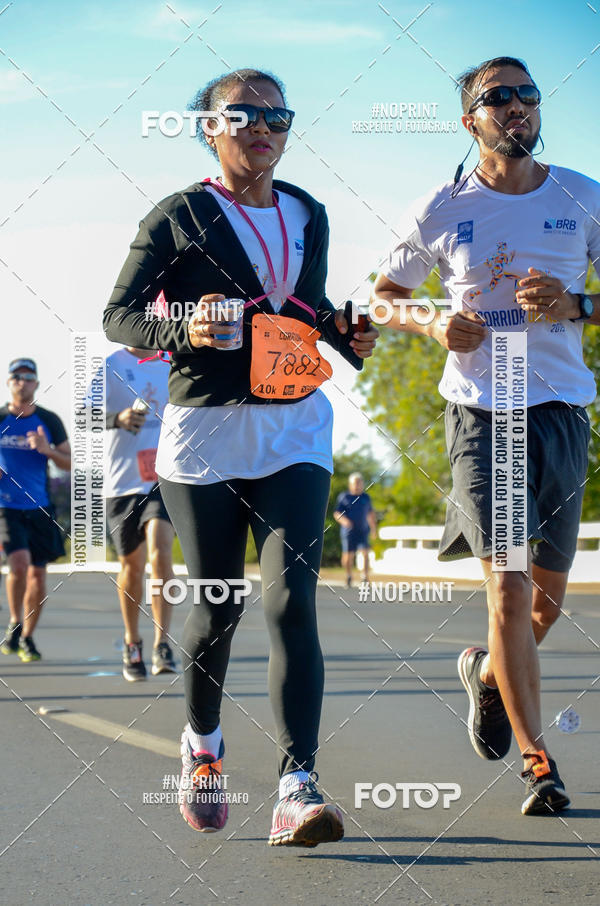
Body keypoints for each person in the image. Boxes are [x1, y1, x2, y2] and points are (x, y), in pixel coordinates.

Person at [103, 69, 379, 845]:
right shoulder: (179, 215)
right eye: (244, 115)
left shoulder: (306, 212)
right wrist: (183, 328)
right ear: (208, 129)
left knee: (291, 601)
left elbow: (303, 306)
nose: (264, 127)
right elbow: (118, 314)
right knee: (219, 605)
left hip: (294, 429)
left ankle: (298, 784)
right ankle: (203, 743)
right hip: (207, 434)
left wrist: (343, 332)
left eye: (278, 116)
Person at [372, 56, 599, 816]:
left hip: (562, 409)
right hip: (484, 413)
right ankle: (539, 763)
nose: (517, 108)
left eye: (528, 95)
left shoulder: (581, 195)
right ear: (469, 119)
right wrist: (432, 319)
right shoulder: (440, 206)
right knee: (506, 586)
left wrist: (577, 306)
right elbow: (382, 298)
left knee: (544, 607)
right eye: (497, 98)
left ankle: (489, 676)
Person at [103, 346, 177, 680]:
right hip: (122, 482)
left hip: (164, 477)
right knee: (131, 567)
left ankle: (163, 642)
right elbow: (83, 415)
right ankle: (132, 640)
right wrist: (115, 418)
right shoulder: (111, 364)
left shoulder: (171, 361)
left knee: (161, 552)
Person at [0, 358, 71, 661]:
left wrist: (47, 450)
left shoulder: (49, 421)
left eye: (28, 378)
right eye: (16, 377)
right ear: (9, 383)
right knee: (18, 563)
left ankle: (27, 637)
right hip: (6, 506)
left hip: (40, 507)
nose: (22, 382)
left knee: (38, 577)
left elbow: (68, 463)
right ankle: (16, 621)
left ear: (37, 384)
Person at [333, 472, 377, 586]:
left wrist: (373, 529)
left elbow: (370, 514)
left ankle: (365, 577)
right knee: (348, 556)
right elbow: (337, 513)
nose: (357, 485)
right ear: (350, 484)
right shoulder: (344, 497)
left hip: (362, 530)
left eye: (360, 483)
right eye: (355, 483)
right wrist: (344, 521)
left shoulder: (366, 498)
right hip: (348, 531)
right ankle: (348, 575)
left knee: (365, 553)